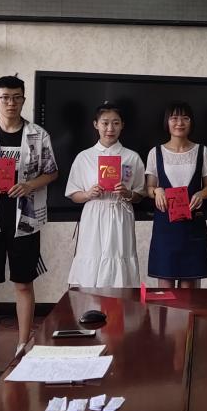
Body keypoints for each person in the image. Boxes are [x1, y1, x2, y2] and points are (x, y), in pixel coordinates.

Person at [0, 75, 58, 356]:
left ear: (23, 100)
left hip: (24, 221)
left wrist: (29, 185)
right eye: (5, 97)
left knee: (23, 283)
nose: (11, 103)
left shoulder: (38, 135)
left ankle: (22, 345)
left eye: (17, 97)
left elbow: (52, 172)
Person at [65, 102, 146, 288]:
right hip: (94, 215)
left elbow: (140, 194)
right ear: (96, 124)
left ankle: (119, 305)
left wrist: (127, 193)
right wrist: (88, 194)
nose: (110, 128)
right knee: (92, 260)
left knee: (119, 258)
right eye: (105, 123)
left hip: (120, 214)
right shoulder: (84, 157)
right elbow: (73, 194)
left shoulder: (132, 157)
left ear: (122, 125)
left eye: (116, 123)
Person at [145, 102, 207, 288]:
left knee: (190, 292)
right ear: (167, 122)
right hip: (165, 227)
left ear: (191, 122)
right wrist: (157, 190)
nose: (179, 123)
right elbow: (149, 187)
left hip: (193, 225)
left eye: (185, 118)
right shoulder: (155, 152)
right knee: (165, 290)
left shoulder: (202, 151)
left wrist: (201, 193)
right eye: (174, 118)